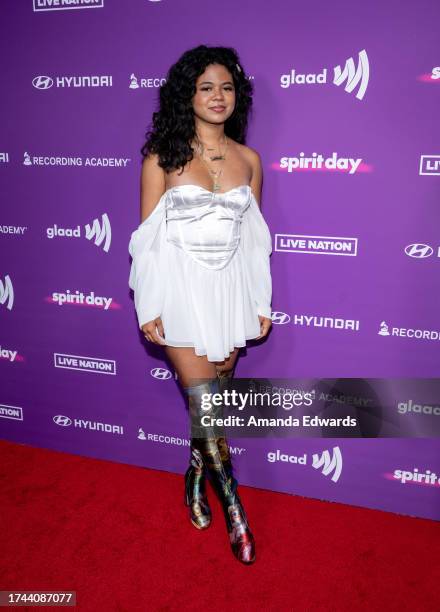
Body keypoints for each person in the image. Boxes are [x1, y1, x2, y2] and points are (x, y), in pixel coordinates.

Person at [128, 45, 273, 565]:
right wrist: (150, 304)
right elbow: (146, 240)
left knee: (211, 412)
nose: (218, 96)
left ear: (238, 96)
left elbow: (256, 241)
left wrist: (259, 300)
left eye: (227, 87)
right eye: (206, 86)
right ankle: (236, 511)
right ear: (186, 94)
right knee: (206, 406)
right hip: (182, 294)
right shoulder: (161, 159)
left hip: (231, 294)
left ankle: (194, 480)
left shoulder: (250, 160)